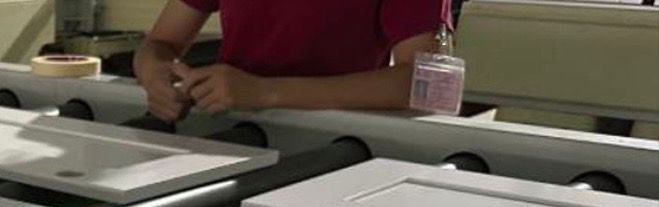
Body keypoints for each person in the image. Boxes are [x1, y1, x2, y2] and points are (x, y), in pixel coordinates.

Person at [134, 0, 447, 120]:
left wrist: (264, 92)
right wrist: (154, 76)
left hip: (335, 151)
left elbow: (429, 84)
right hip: (228, 136)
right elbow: (161, 43)